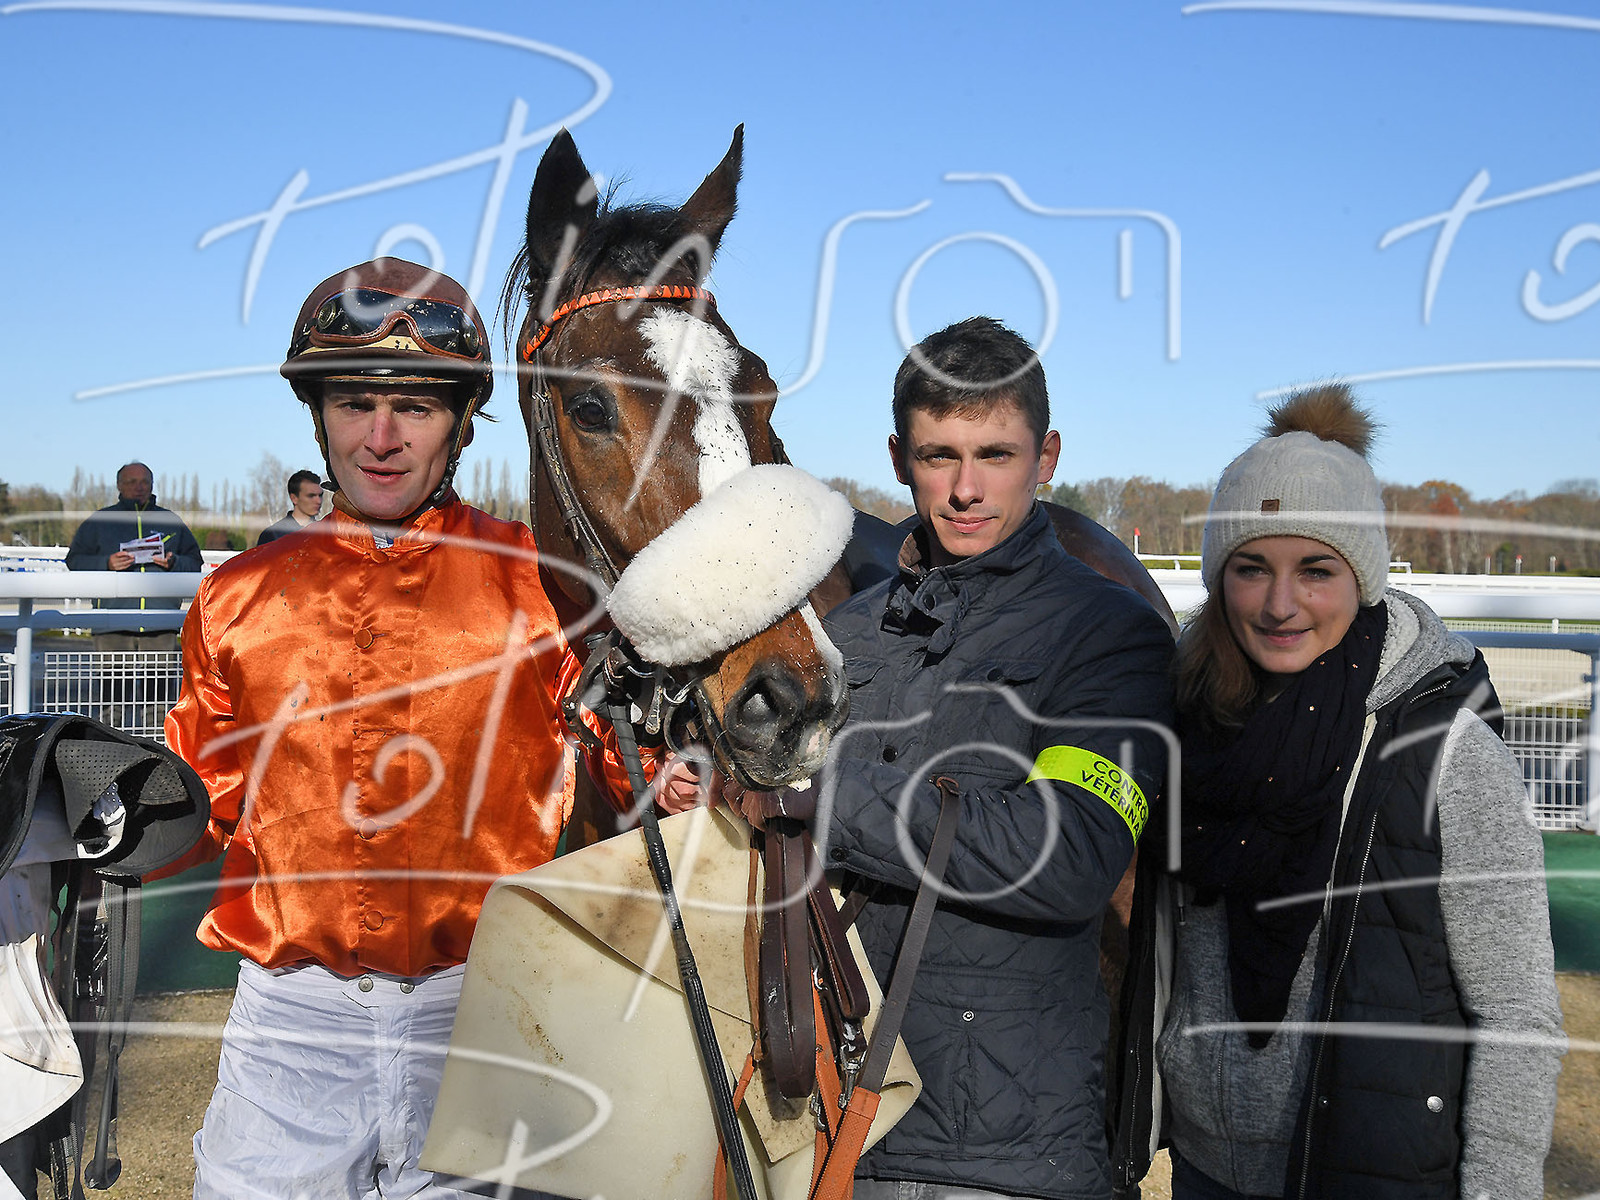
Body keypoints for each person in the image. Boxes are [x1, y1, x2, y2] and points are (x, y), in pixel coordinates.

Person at [157, 258, 662, 1200]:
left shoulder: (544, 585)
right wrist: (101, 811)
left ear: (462, 424)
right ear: (318, 416)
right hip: (290, 1034)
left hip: (479, 1019)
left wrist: (676, 771)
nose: (381, 438)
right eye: (355, 404)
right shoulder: (234, 598)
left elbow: (625, 772)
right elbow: (197, 805)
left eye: (416, 408)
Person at [725, 317, 1174, 1200]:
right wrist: (715, 788)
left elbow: (1069, 857)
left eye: (995, 455)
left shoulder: (1111, 635)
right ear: (900, 459)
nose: (967, 490)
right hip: (821, 1125)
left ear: (1046, 457)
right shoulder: (847, 635)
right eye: (939, 457)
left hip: (1000, 1157)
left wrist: (819, 793)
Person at [1156, 384, 1564, 1200]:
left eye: (1316, 570)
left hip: (1367, 1172)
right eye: (1251, 569)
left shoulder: (1448, 753)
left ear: (1363, 578)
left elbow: (1518, 1012)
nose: (1280, 604)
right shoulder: (1188, 727)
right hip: (1203, 1165)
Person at [64, 460, 202, 651]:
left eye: (145, 482)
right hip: (111, 624)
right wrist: (106, 563)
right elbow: (75, 561)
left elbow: (195, 563)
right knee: (113, 673)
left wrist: (174, 562)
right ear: (119, 485)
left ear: (152, 485)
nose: (139, 487)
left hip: (160, 624)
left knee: (159, 673)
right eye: (132, 482)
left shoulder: (170, 521)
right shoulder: (100, 521)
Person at [255, 468, 324, 545]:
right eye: (311, 496)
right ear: (294, 498)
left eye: (320, 495)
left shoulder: (325, 534)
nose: (319, 501)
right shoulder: (273, 535)